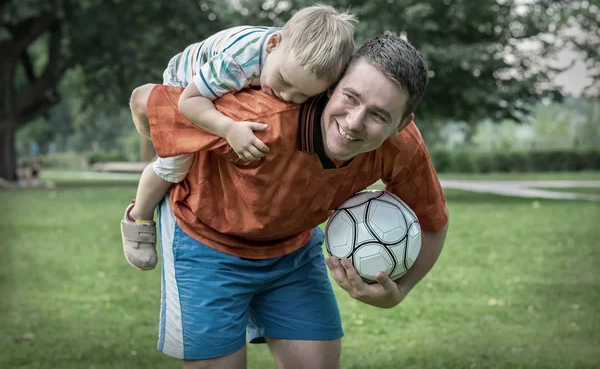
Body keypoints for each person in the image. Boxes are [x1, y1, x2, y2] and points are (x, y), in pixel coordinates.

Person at [129, 34, 449, 369]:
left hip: (292, 251)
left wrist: (399, 291)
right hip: (206, 243)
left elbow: (433, 223)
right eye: (350, 97)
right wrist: (172, 154)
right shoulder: (260, 116)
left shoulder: (402, 148)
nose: (354, 122)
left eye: (379, 116)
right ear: (331, 87)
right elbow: (142, 100)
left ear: (402, 125)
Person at [121, 4, 357, 270]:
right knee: (174, 166)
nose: (288, 96)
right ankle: (138, 215)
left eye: (303, 95)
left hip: (222, 84)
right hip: (186, 82)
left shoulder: (289, 61)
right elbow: (190, 101)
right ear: (273, 45)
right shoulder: (238, 62)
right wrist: (228, 129)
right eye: (284, 81)